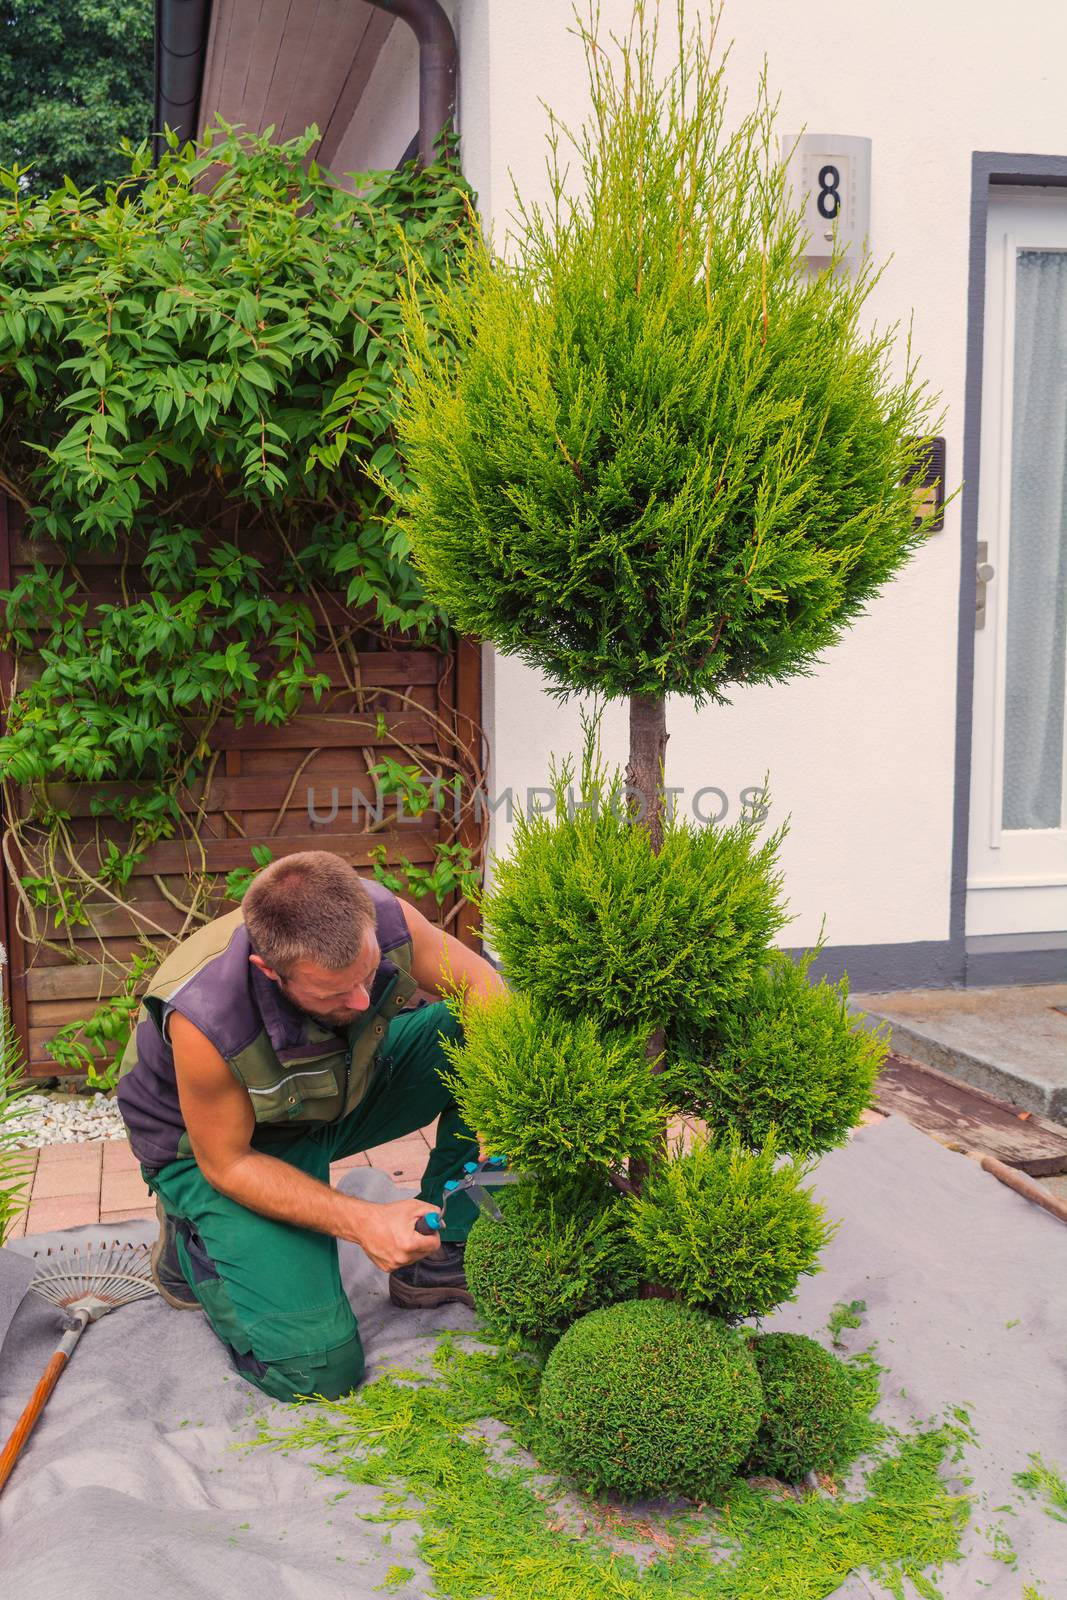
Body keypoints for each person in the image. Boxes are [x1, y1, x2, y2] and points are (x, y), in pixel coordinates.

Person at [115, 850, 507, 1403]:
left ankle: (444, 1251)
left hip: (333, 1092)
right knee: (316, 1372)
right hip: (226, 1149)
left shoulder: (384, 917)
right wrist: (364, 1221)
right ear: (269, 972)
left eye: (368, 975)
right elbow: (229, 1163)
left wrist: (499, 1109)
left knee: (467, 1034)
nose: (363, 1000)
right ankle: (193, 1245)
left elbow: (484, 991)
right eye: (334, 994)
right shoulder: (205, 1015)